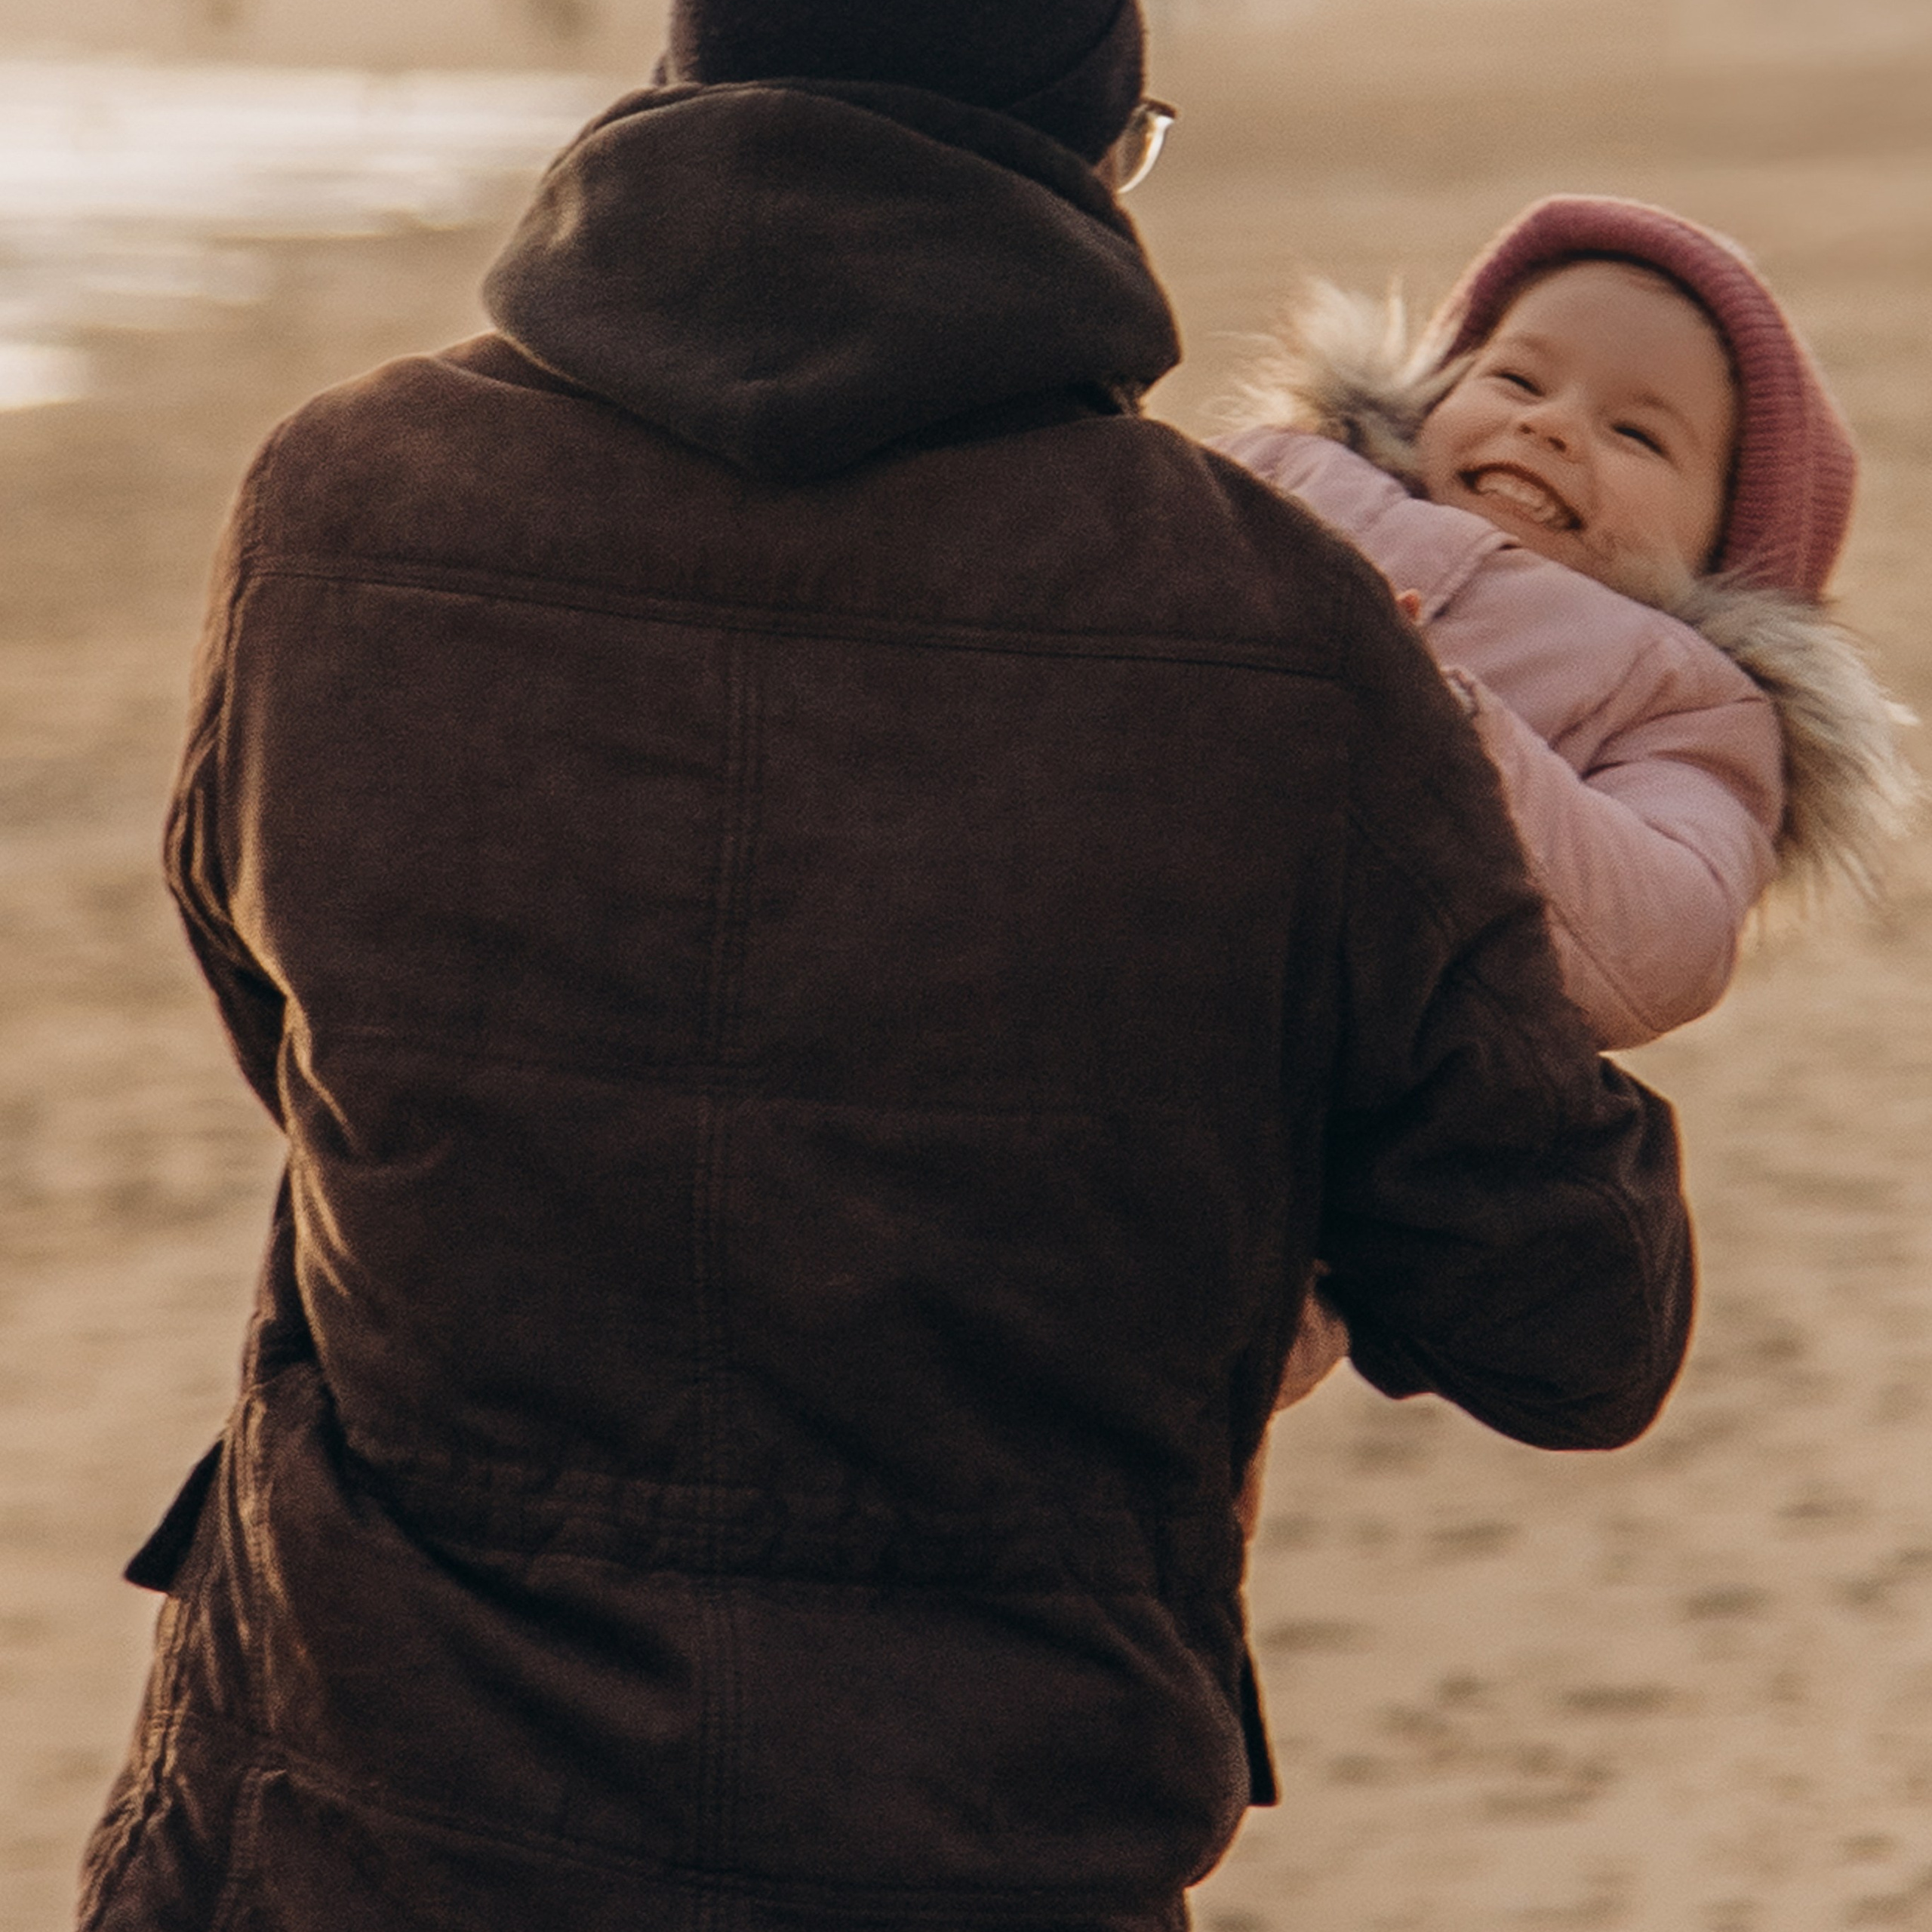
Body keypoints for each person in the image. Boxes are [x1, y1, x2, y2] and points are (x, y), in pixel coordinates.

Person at [82, 13, 1698, 1930]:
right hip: (979, 1841)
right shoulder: (1283, 635)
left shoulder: (338, 506)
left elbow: (282, 1017)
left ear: (689, 76)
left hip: (363, 1815)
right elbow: (1572, 1324)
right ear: (1097, 154)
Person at [1220, 195, 1917, 1051]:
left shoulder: (1686, 702)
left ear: (1722, 542)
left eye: (1635, 433)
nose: (1549, 425)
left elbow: (1662, 946)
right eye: (1515, 379)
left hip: (1348, 1058)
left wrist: (1456, 738)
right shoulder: (1290, 476)